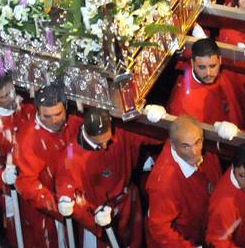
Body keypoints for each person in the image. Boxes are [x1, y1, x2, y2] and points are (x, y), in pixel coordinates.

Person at [55, 107, 152, 248]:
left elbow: (153, 136)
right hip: (99, 213)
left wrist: (153, 119)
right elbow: (68, 194)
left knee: (133, 242)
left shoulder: (121, 132)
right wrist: (94, 220)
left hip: (127, 204)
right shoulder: (71, 155)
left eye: (107, 139)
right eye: (99, 143)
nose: (105, 146)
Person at [15, 84, 82, 248]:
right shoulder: (27, 139)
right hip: (46, 213)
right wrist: (55, 204)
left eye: (58, 114)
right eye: (47, 116)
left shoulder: (74, 122)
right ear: (37, 111)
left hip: (75, 202)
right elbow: (27, 183)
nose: (54, 120)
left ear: (66, 107)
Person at [145, 113, 223, 248]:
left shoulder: (206, 155)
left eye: (198, 142)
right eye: (186, 146)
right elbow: (160, 229)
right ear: (173, 145)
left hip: (200, 229)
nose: (194, 152)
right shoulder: (164, 184)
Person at [168, 37, 245, 127]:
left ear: (220, 60)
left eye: (212, 66)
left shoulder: (228, 72)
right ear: (192, 63)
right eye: (202, 67)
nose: (208, 73)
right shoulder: (182, 105)